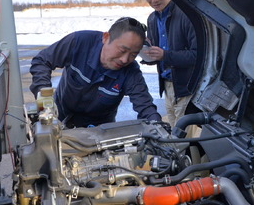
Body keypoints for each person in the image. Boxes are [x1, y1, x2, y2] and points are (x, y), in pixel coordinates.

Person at [29, 17, 162, 128]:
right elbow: (42, 60)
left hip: (99, 133)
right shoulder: (79, 42)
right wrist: (43, 96)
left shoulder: (130, 71)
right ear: (105, 37)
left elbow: (145, 106)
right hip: (59, 119)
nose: (125, 59)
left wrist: (157, 126)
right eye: (122, 50)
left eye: (133, 54)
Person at [138, 0, 197, 127]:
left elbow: (197, 56)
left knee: (184, 141)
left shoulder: (187, 15)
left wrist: (165, 55)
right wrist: (146, 53)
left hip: (187, 89)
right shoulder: (152, 19)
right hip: (167, 87)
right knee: (175, 136)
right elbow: (157, 57)